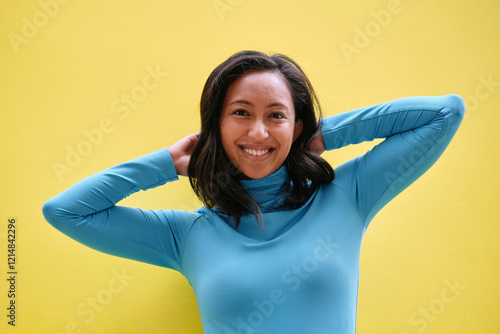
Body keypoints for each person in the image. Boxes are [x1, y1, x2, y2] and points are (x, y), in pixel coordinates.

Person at [42, 50, 465, 334]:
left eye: (276, 115)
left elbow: (446, 112)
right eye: (240, 113)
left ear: (295, 125)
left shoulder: (346, 196)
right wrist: (166, 163)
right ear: (216, 127)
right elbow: (65, 211)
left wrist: (316, 136)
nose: (258, 131)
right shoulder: (187, 235)